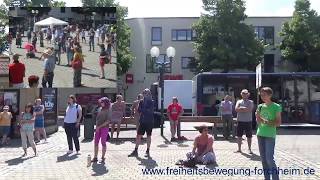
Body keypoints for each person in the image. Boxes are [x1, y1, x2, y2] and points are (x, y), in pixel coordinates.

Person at [256, 87, 282, 180]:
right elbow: (259, 122)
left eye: (264, 95)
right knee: (263, 160)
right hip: (260, 134)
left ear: (270, 95)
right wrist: (257, 117)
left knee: (269, 159)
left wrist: (263, 120)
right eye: (261, 95)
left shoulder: (276, 106)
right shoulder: (260, 106)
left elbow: (278, 122)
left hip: (270, 135)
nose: (262, 97)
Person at [128, 89, 154, 157]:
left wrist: (143, 109)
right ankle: (135, 150)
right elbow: (139, 110)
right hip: (142, 121)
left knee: (148, 135)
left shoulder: (152, 101)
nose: (145, 94)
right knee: (138, 135)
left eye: (147, 93)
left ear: (149, 94)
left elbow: (150, 111)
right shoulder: (141, 102)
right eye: (144, 93)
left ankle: (147, 151)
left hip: (149, 121)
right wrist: (143, 109)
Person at [91, 97, 111, 163]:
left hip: (104, 128)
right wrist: (97, 127)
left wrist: (99, 127)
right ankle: (95, 157)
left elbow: (108, 121)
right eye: (101, 102)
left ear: (106, 103)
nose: (101, 103)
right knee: (96, 142)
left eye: (102, 102)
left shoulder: (108, 110)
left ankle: (102, 157)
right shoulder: (99, 109)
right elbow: (97, 119)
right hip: (98, 128)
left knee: (103, 142)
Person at [235, 89, 254, 154]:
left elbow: (249, 110)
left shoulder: (250, 102)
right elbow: (236, 109)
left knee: (249, 136)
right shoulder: (238, 101)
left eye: (245, 93)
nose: (244, 94)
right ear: (241, 94)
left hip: (248, 121)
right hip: (240, 120)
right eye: (243, 93)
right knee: (239, 135)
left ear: (248, 94)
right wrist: (244, 108)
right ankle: (239, 149)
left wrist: (241, 108)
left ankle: (249, 149)